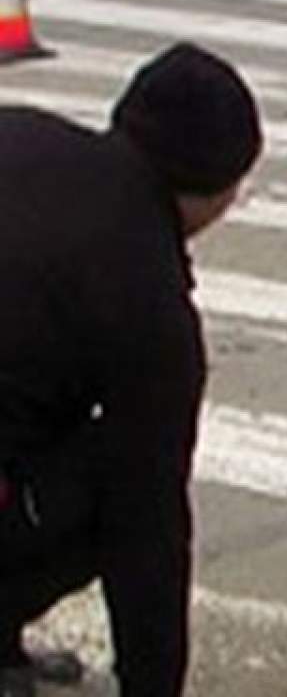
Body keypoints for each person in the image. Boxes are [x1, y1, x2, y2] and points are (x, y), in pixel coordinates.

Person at [0, 43, 263, 696]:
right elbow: (151, 534)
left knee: (33, 398)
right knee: (123, 475)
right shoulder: (151, 309)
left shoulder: (22, 133)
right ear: (211, 192)